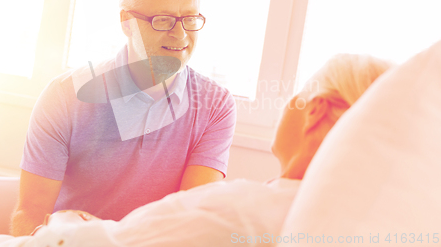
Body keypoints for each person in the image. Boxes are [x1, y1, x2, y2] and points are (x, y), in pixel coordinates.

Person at [26, 54, 394, 246]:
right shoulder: (350, 222)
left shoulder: (241, 209)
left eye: (298, 93)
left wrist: (66, 221)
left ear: (315, 112)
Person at [11, 0, 237, 236]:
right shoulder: (64, 96)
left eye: (189, 18)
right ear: (127, 24)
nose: (180, 34)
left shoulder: (215, 105)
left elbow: (187, 222)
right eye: (163, 20)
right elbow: (31, 214)